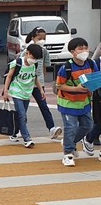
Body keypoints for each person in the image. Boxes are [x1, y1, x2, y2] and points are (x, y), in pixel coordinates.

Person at [56, 37, 98, 166]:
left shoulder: (91, 64)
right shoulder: (66, 68)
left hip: (84, 102)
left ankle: (70, 141)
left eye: (86, 48)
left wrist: (92, 88)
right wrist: (76, 89)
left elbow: (96, 78)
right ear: (73, 52)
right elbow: (59, 86)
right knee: (71, 127)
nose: (84, 51)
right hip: (68, 102)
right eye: (80, 48)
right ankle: (68, 153)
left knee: (88, 126)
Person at [16, 27, 62, 140]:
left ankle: (51, 128)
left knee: (43, 105)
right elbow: (20, 65)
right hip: (25, 83)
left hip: (38, 84)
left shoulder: (44, 51)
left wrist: (41, 82)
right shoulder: (27, 50)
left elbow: (45, 67)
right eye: (39, 38)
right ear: (33, 38)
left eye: (44, 38)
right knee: (22, 110)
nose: (42, 40)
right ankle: (17, 130)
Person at [2, 44, 44, 148]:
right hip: (16, 92)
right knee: (22, 115)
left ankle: (13, 133)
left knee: (21, 115)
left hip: (27, 93)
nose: (34, 60)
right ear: (27, 53)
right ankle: (27, 139)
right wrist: (5, 91)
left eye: (36, 59)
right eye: (33, 57)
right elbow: (9, 77)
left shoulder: (34, 65)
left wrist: (41, 90)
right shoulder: (17, 63)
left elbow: (35, 78)